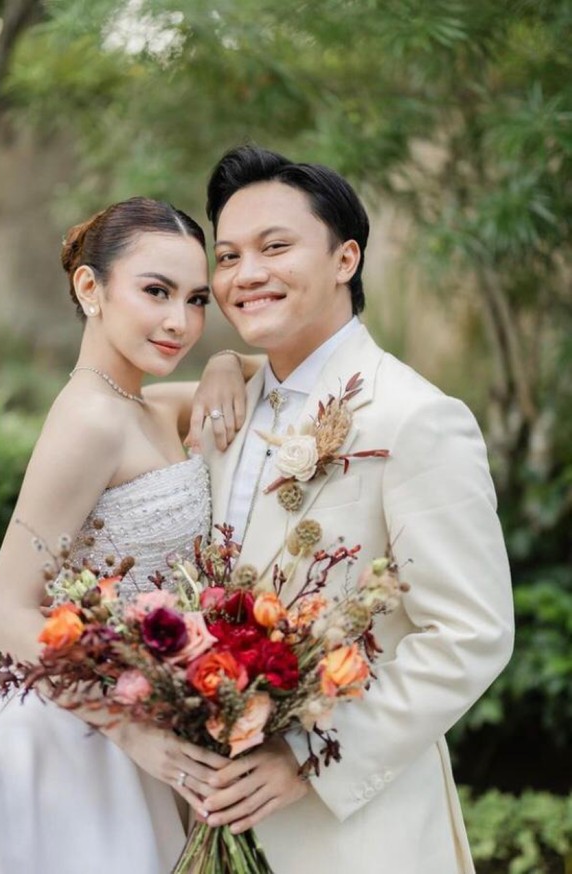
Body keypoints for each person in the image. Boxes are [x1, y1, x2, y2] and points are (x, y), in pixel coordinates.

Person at [0, 197, 257, 874]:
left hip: (151, 715)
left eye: (196, 300)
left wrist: (225, 362)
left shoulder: (146, 406)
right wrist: (130, 730)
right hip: (73, 743)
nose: (180, 322)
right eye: (156, 292)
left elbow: (271, 377)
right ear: (90, 287)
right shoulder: (90, 420)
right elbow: (4, 608)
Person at [190, 146, 515, 874]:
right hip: (215, 817)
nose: (246, 273)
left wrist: (310, 757)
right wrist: (222, 362)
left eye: (275, 247)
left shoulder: (416, 417)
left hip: (359, 832)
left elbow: (471, 633)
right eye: (229, 256)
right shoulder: (228, 407)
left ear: (346, 259)